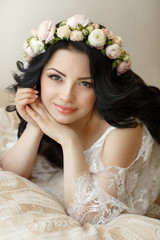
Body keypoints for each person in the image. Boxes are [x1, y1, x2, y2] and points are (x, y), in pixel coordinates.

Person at [1, 14, 160, 225]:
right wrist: (35, 123)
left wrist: (68, 140)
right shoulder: (49, 112)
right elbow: (11, 175)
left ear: (100, 87)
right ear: (38, 77)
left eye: (85, 84)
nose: (67, 96)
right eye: (56, 77)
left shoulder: (123, 130)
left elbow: (88, 215)